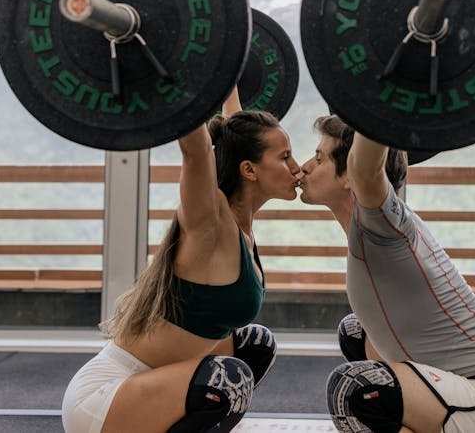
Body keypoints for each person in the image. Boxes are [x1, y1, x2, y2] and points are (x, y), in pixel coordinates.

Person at [62, 92, 302, 433]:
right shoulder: (211, 226)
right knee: (228, 380)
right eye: (286, 157)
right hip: (104, 401)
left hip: (159, 389)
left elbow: (232, 127)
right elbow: (197, 150)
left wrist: (226, 76)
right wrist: (187, 81)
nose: (297, 167)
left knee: (256, 345)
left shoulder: (241, 226)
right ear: (249, 170)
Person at [299, 115, 475, 433]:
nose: (304, 167)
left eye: (318, 158)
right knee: (357, 333)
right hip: (467, 395)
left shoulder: (385, 226)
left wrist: (381, 92)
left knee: (356, 386)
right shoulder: (375, 227)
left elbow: (366, 166)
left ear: (351, 176)